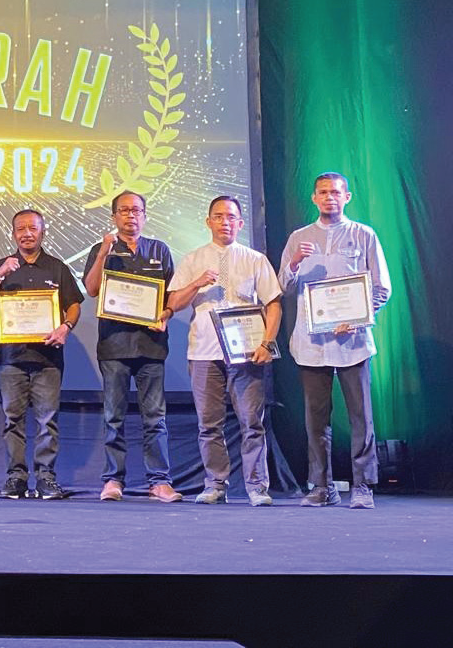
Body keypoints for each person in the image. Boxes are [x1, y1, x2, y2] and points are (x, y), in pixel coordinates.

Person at [278, 172, 391, 509]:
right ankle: (321, 486)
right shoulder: (298, 237)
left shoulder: (363, 235)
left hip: (353, 342)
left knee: (361, 417)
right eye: (323, 192)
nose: (330, 197)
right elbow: (283, 286)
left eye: (336, 192)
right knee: (316, 419)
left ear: (347, 197)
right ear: (314, 198)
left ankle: (363, 486)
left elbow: (381, 288)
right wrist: (296, 261)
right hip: (311, 344)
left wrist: (355, 319)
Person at [166, 196, 282, 506]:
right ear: (208, 222)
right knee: (208, 423)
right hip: (204, 352)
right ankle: (215, 484)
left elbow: (273, 303)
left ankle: (257, 487)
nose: (225, 222)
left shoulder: (255, 258)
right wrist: (197, 284)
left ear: (241, 223)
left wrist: (267, 342)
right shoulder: (193, 259)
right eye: (218, 216)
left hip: (245, 352)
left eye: (231, 217)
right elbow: (174, 304)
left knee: (251, 422)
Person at [0, 210, 82, 499]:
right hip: (12, 358)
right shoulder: (4, 266)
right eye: (20, 228)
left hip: (48, 358)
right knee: (13, 419)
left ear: (42, 232)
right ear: (13, 234)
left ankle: (46, 477)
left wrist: (66, 327)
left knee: (48, 419)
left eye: (32, 228)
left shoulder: (57, 268)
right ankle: (16, 477)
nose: (26, 233)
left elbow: (74, 305)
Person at [83, 191, 180, 502]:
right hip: (114, 346)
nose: (131, 215)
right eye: (124, 210)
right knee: (114, 416)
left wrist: (165, 314)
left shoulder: (159, 250)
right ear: (114, 217)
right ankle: (113, 480)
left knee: (155, 417)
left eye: (137, 210)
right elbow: (92, 289)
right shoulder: (103, 250)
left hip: (151, 346)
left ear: (145, 215)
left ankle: (159, 481)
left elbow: (172, 295)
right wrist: (102, 253)